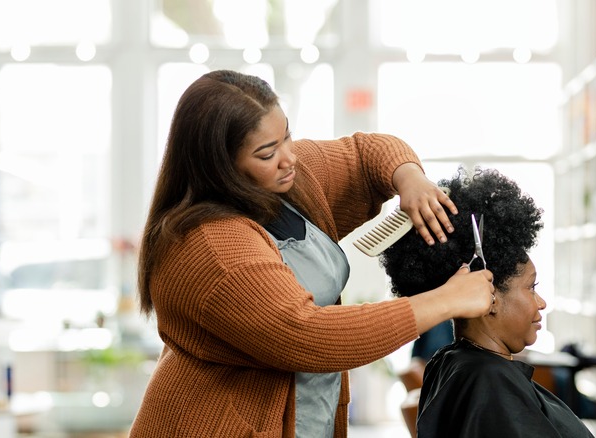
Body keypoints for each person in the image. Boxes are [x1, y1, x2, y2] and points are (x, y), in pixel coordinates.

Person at [129, 70, 495, 438]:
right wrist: (446, 302)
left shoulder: (288, 180)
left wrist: (410, 178)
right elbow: (307, 335)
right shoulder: (210, 248)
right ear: (219, 166)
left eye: (286, 134)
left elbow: (368, 153)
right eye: (267, 153)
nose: (289, 158)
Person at [379, 167, 595, 438]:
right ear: (487, 296)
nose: (542, 303)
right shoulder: (490, 381)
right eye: (532, 287)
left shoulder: (449, 363)